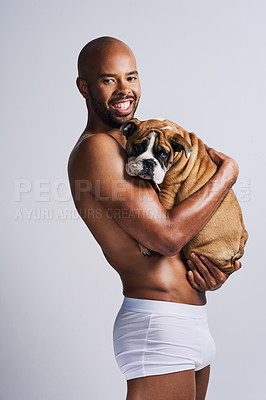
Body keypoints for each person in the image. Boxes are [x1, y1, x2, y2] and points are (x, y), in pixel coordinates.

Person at [68, 36, 242, 400]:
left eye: (131, 77)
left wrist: (209, 270)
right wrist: (226, 176)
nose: (123, 90)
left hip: (188, 322)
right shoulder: (97, 147)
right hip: (157, 325)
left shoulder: (137, 144)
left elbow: (181, 236)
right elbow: (166, 237)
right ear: (84, 86)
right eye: (108, 79)